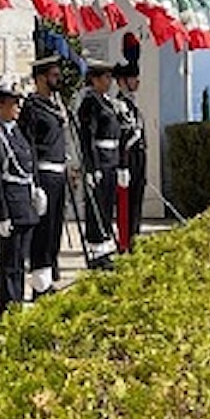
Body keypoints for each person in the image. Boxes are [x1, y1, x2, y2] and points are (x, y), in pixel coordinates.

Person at [0, 78, 41, 314]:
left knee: (20, 263)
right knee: (9, 264)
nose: (17, 107)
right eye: (12, 103)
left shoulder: (17, 132)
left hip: (25, 205)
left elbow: (28, 161)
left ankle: (18, 303)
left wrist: (35, 189)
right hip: (10, 208)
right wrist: (0, 214)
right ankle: (9, 310)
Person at [19, 56, 67, 297]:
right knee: (43, 231)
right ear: (40, 78)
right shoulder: (32, 107)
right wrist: (34, 183)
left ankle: (48, 278)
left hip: (58, 173)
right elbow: (28, 147)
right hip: (44, 174)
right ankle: (39, 285)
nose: (58, 79)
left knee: (55, 229)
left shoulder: (55, 105)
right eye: (54, 76)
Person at [76, 58, 120, 269]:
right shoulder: (90, 103)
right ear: (94, 79)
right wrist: (91, 167)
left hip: (110, 160)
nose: (109, 81)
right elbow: (87, 138)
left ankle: (106, 246)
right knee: (97, 207)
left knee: (106, 205)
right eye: (106, 77)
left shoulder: (106, 101)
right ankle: (96, 250)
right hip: (99, 160)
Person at [112, 61, 146, 252]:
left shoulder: (132, 104)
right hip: (127, 160)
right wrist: (123, 165)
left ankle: (134, 237)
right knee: (126, 204)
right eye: (133, 78)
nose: (137, 81)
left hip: (138, 160)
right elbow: (121, 137)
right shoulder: (118, 105)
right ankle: (126, 241)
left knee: (137, 200)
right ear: (122, 81)